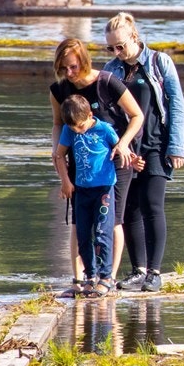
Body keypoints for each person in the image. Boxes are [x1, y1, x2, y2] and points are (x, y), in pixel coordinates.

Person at [102, 12, 184, 293]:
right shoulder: (111, 69)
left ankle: (154, 271)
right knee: (128, 208)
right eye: (111, 48)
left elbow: (176, 106)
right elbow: (108, 113)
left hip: (156, 144)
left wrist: (175, 147)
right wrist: (120, 145)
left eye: (121, 46)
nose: (117, 52)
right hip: (127, 146)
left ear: (135, 38)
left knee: (152, 205)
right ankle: (137, 270)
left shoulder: (158, 63)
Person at [50, 38, 143, 284]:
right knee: (79, 222)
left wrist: (123, 144)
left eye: (73, 67)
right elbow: (58, 124)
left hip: (113, 161)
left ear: (84, 61)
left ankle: (108, 277)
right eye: (63, 68)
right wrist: (56, 151)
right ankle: (80, 278)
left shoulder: (107, 82)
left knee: (112, 220)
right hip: (80, 165)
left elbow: (136, 115)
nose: (68, 73)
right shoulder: (59, 89)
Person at [53, 94, 119, 297]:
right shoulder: (68, 130)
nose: (77, 130)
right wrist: (65, 181)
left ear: (90, 115)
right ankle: (90, 277)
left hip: (103, 190)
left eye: (80, 126)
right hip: (81, 190)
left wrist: (131, 158)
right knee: (83, 235)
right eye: (73, 128)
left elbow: (120, 147)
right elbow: (59, 155)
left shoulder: (104, 129)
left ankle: (106, 277)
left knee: (101, 233)